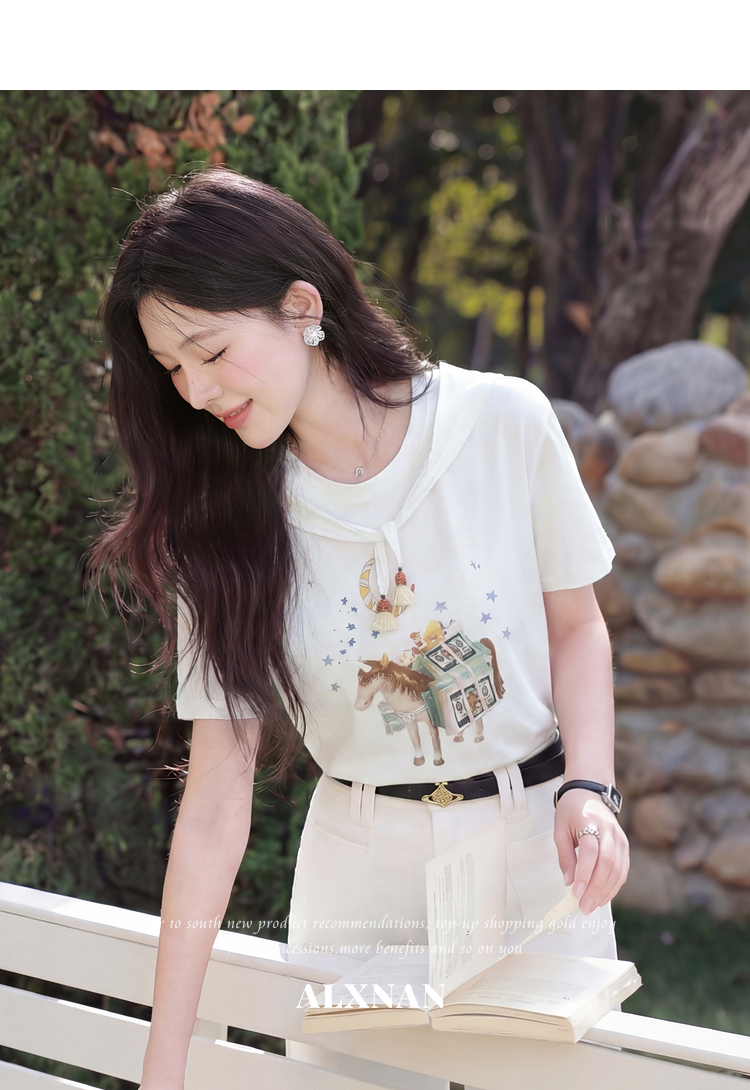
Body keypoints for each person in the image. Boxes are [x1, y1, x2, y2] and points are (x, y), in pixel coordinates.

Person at [89, 166, 629, 1090]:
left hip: (541, 856)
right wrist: (163, 1061)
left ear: (302, 306)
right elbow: (214, 801)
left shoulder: (502, 421)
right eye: (173, 369)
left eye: (210, 351)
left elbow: (576, 627)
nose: (195, 390)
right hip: (358, 876)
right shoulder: (219, 522)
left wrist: (591, 788)